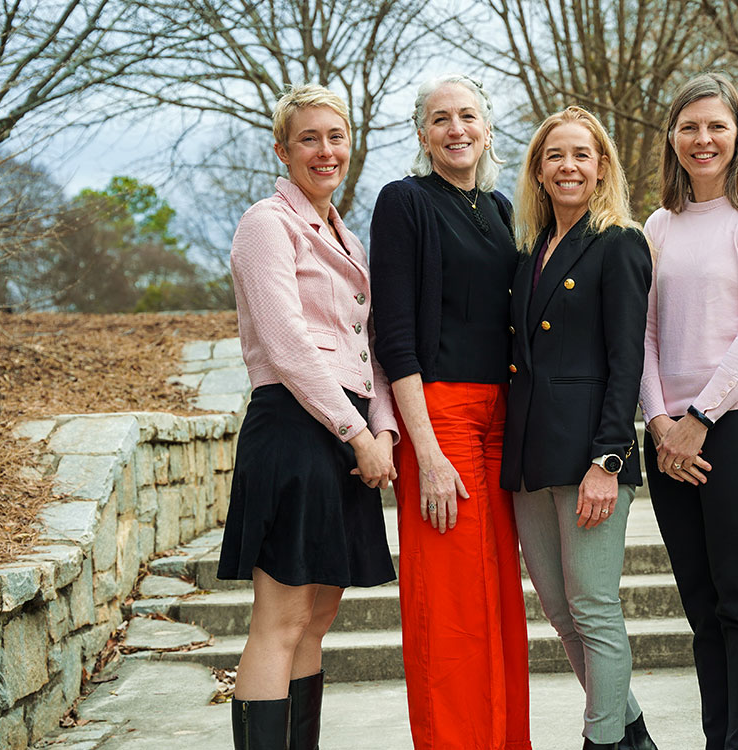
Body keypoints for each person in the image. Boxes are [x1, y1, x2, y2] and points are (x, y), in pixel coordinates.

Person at [219, 83, 399, 750]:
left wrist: (383, 430)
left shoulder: (346, 236)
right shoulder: (266, 223)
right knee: (280, 621)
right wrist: (356, 432)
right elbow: (287, 343)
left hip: (346, 434)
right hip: (294, 430)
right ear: (283, 150)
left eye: (336, 137)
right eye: (309, 139)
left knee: (317, 621)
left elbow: (369, 347)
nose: (325, 151)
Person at [368, 74, 531, 750]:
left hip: (503, 419)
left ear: (487, 130)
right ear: (421, 133)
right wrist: (426, 450)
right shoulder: (404, 201)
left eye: (467, 116)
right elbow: (394, 333)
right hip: (439, 415)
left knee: (500, 597)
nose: (456, 128)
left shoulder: (501, 208)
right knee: (450, 604)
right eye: (440, 118)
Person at [639, 73, 738, 750]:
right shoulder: (658, 226)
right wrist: (659, 423)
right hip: (670, 438)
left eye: (716, 126)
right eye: (689, 127)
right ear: (672, 138)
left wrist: (698, 418)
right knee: (703, 611)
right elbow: (644, 335)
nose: (703, 139)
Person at [501, 107, 659, 750]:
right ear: (539, 171)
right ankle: (631, 734)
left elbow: (628, 363)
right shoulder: (530, 250)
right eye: (555, 156)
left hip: (592, 459)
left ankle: (601, 741)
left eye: (581, 155)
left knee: (594, 609)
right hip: (531, 458)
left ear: (601, 168)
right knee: (563, 615)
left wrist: (608, 461)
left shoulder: (620, 242)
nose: (568, 166)